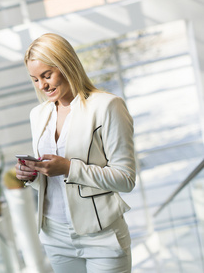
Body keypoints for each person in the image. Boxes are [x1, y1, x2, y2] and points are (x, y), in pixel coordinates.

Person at [15, 33, 136, 273]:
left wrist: (69, 168)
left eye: (47, 75)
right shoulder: (38, 115)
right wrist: (33, 176)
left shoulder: (107, 106)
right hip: (55, 235)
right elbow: (55, 184)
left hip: (101, 235)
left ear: (66, 65)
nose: (42, 85)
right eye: (35, 79)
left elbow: (126, 179)